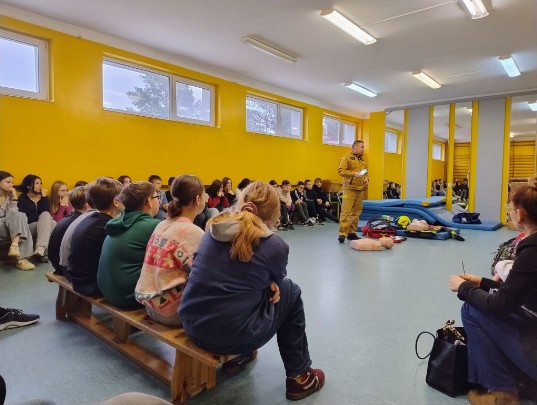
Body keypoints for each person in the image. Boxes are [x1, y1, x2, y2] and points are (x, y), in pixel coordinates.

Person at [179, 181, 325, 401]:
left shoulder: (212, 229)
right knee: (290, 291)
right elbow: (277, 278)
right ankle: (299, 376)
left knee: (245, 290)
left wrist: (267, 282)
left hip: (191, 326)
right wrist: (270, 282)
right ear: (274, 214)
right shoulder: (274, 245)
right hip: (229, 337)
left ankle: (239, 356)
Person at [448, 176, 537, 405]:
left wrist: (464, 287)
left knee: (471, 309)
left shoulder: (531, 251)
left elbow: (501, 305)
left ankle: (501, 392)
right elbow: (522, 293)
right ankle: (524, 380)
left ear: (520, 214)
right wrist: (483, 283)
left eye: (511, 208)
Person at [135, 174, 206, 326]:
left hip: (149, 304)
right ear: (197, 199)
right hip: (172, 312)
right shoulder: (194, 232)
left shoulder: (162, 224)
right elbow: (205, 275)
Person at [97, 182, 160, 309]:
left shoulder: (117, 221)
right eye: (157, 197)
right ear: (149, 201)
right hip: (129, 296)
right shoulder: (153, 226)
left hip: (107, 290)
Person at [67, 178, 124, 296]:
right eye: (123, 197)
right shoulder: (108, 226)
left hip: (77, 279)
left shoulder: (90, 219)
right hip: (89, 285)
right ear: (116, 202)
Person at [47, 186, 88, 275]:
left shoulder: (68, 218)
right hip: (65, 268)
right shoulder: (83, 221)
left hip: (57, 264)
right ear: (87, 205)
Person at [0, 171, 35, 270]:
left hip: (8, 227)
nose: (11, 185)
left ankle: (14, 246)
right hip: (3, 227)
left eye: (12, 182)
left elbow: (13, 214)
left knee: (20, 215)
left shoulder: (9, 196)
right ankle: (21, 259)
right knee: (23, 224)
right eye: (8, 182)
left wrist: (14, 198)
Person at [17, 174, 56, 257]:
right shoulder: (22, 199)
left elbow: (46, 211)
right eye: (37, 183)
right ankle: (44, 252)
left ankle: (40, 249)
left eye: (41, 183)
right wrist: (41, 221)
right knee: (51, 223)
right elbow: (24, 217)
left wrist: (44, 197)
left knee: (51, 221)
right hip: (28, 228)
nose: (40, 186)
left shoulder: (43, 198)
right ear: (28, 186)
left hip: (42, 227)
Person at [337, 140, 368, 243]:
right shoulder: (346, 158)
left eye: (363, 147)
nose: (363, 149)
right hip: (349, 189)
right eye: (362, 147)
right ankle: (342, 234)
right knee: (346, 212)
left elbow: (365, 172)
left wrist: (366, 179)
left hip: (360, 189)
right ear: (355, 147)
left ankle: (352, 233)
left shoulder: (362, 160)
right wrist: (353, 174)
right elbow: (341, 171)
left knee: (356, 213)